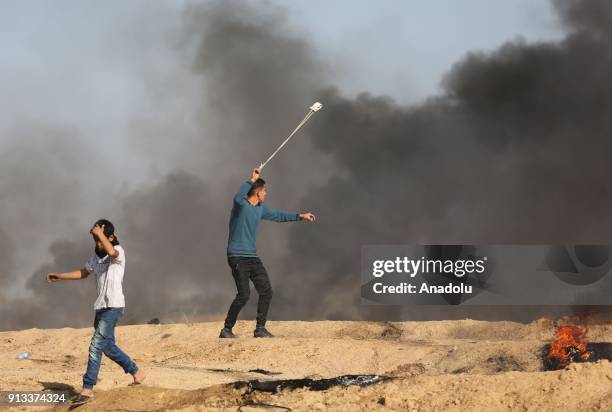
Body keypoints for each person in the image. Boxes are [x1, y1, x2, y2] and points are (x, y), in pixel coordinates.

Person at [47, 219, 145, 405]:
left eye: (100, 239)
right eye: (95, 241)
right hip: (100, 308)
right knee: (107, 347)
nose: (98, 244)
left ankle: (87, 387)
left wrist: (101, 234)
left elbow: (111, 251)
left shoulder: (119, 252)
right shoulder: (96, 258)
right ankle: (136, 372)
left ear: (111, 237)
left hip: (114, 307)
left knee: (95, 345)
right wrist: (60, 276)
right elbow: (84, 273)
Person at [220, 168, 315, 339]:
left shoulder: (260, 209)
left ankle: (260, 329)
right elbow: (237, 197)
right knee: (244, 295)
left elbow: (278, 216)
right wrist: (251, 179)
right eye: (264, 190)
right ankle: (226, 329)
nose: (266, 193)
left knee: (267, 291)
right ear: (257, 192)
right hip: (237, 256)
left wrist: (301, 216)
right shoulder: (240, 206)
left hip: (252, 257)